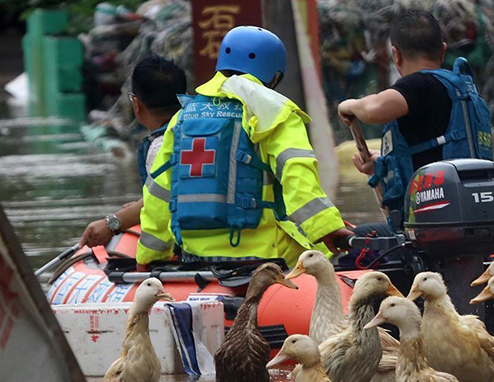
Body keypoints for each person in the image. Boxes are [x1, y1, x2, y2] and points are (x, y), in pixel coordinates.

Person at [136, 26, 352, 267]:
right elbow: (298, 177)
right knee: (337, 255)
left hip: (197, 257)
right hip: (268, 254)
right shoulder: (276, 111)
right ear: (275, 77)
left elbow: (158, 193)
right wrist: (328, 229)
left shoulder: (183, 117)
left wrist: (148, 257)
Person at [337, 8, 492, 225]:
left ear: (396, 55)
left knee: (354, 241)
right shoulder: (460, 90)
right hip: (475, 218)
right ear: (442, 51)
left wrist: (349, 104)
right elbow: (429, 153)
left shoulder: (419, 85)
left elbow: (373, 111)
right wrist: (380, 166)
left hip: (434, 225)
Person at [79, 55, 187, 248]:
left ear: (136, 104)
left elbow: (159, 208)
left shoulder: (161, 146)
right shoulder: (200, 132)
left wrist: (111, 223)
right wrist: (139, 205)